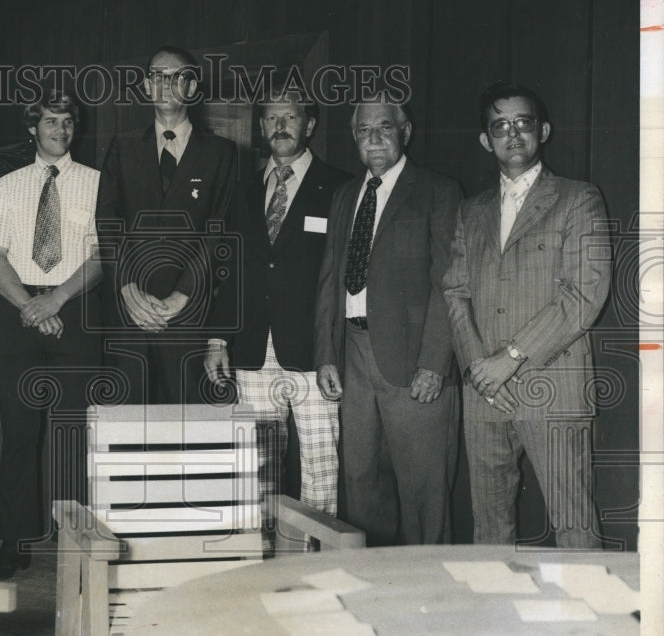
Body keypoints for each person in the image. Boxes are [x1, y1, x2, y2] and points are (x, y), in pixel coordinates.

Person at [443, 83, 610, 547]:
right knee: (489, 529)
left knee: (573, 522)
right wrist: (480, 369)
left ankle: (593, 619)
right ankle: (496, 618)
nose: (512, 133)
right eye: (500, 125)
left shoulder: (579, 199)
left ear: (544, 131)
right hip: (485, 396)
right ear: (485, 140)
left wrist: (509, 359)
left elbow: (584, 296)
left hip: (554, 390)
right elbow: (455, 292)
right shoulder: (470, 211)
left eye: (523, 123)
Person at [314, 97, 461, 546]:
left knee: (424, 493)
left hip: (414, 359)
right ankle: (370, 593)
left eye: (385, 128)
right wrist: (326, 355)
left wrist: (435, 362)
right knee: (360, 485)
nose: (373, 138)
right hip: (353, 356)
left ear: (405, 132)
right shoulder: (344, 196)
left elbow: (448, 285)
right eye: (363, 130)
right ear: (354, 138)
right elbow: (329, 279)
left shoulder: (439, 191)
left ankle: (428, 599)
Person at [205, 88, 349, 535]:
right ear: (261, 127)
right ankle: (260, 556)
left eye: (290, 117)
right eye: (271, 119)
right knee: (257, 466)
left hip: (313, 354)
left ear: (310, 124)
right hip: (251, 350)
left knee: (320, 469)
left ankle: (312, 563)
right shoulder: (242, 188)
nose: (280, 126)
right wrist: (217, 340)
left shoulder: (340, 187)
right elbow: (229, 269)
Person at [0, 87, 102, 579]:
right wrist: (31, 305)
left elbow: (101, 257)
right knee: (19, 435)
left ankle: (76, 546)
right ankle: (15, 541)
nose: (60, 130)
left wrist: (57, 300)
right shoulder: (7, 185)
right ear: (33, 128)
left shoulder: (96, 183)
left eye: (68, 122)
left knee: (74, 432)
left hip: (74, 313)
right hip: (18, 315)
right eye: (51, 122)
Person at [96, 45, 238, 404]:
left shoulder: (221, 152)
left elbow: (219, 228)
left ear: (192, 88)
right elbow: (108, 222)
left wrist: (184, 292)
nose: (166, 84)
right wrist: (127, 287)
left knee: (190, 426)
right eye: (158, 76)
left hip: (189, 313)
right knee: (129, 430)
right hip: (132, 313)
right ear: (146, 86)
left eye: (177, 77)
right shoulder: (122, 146)